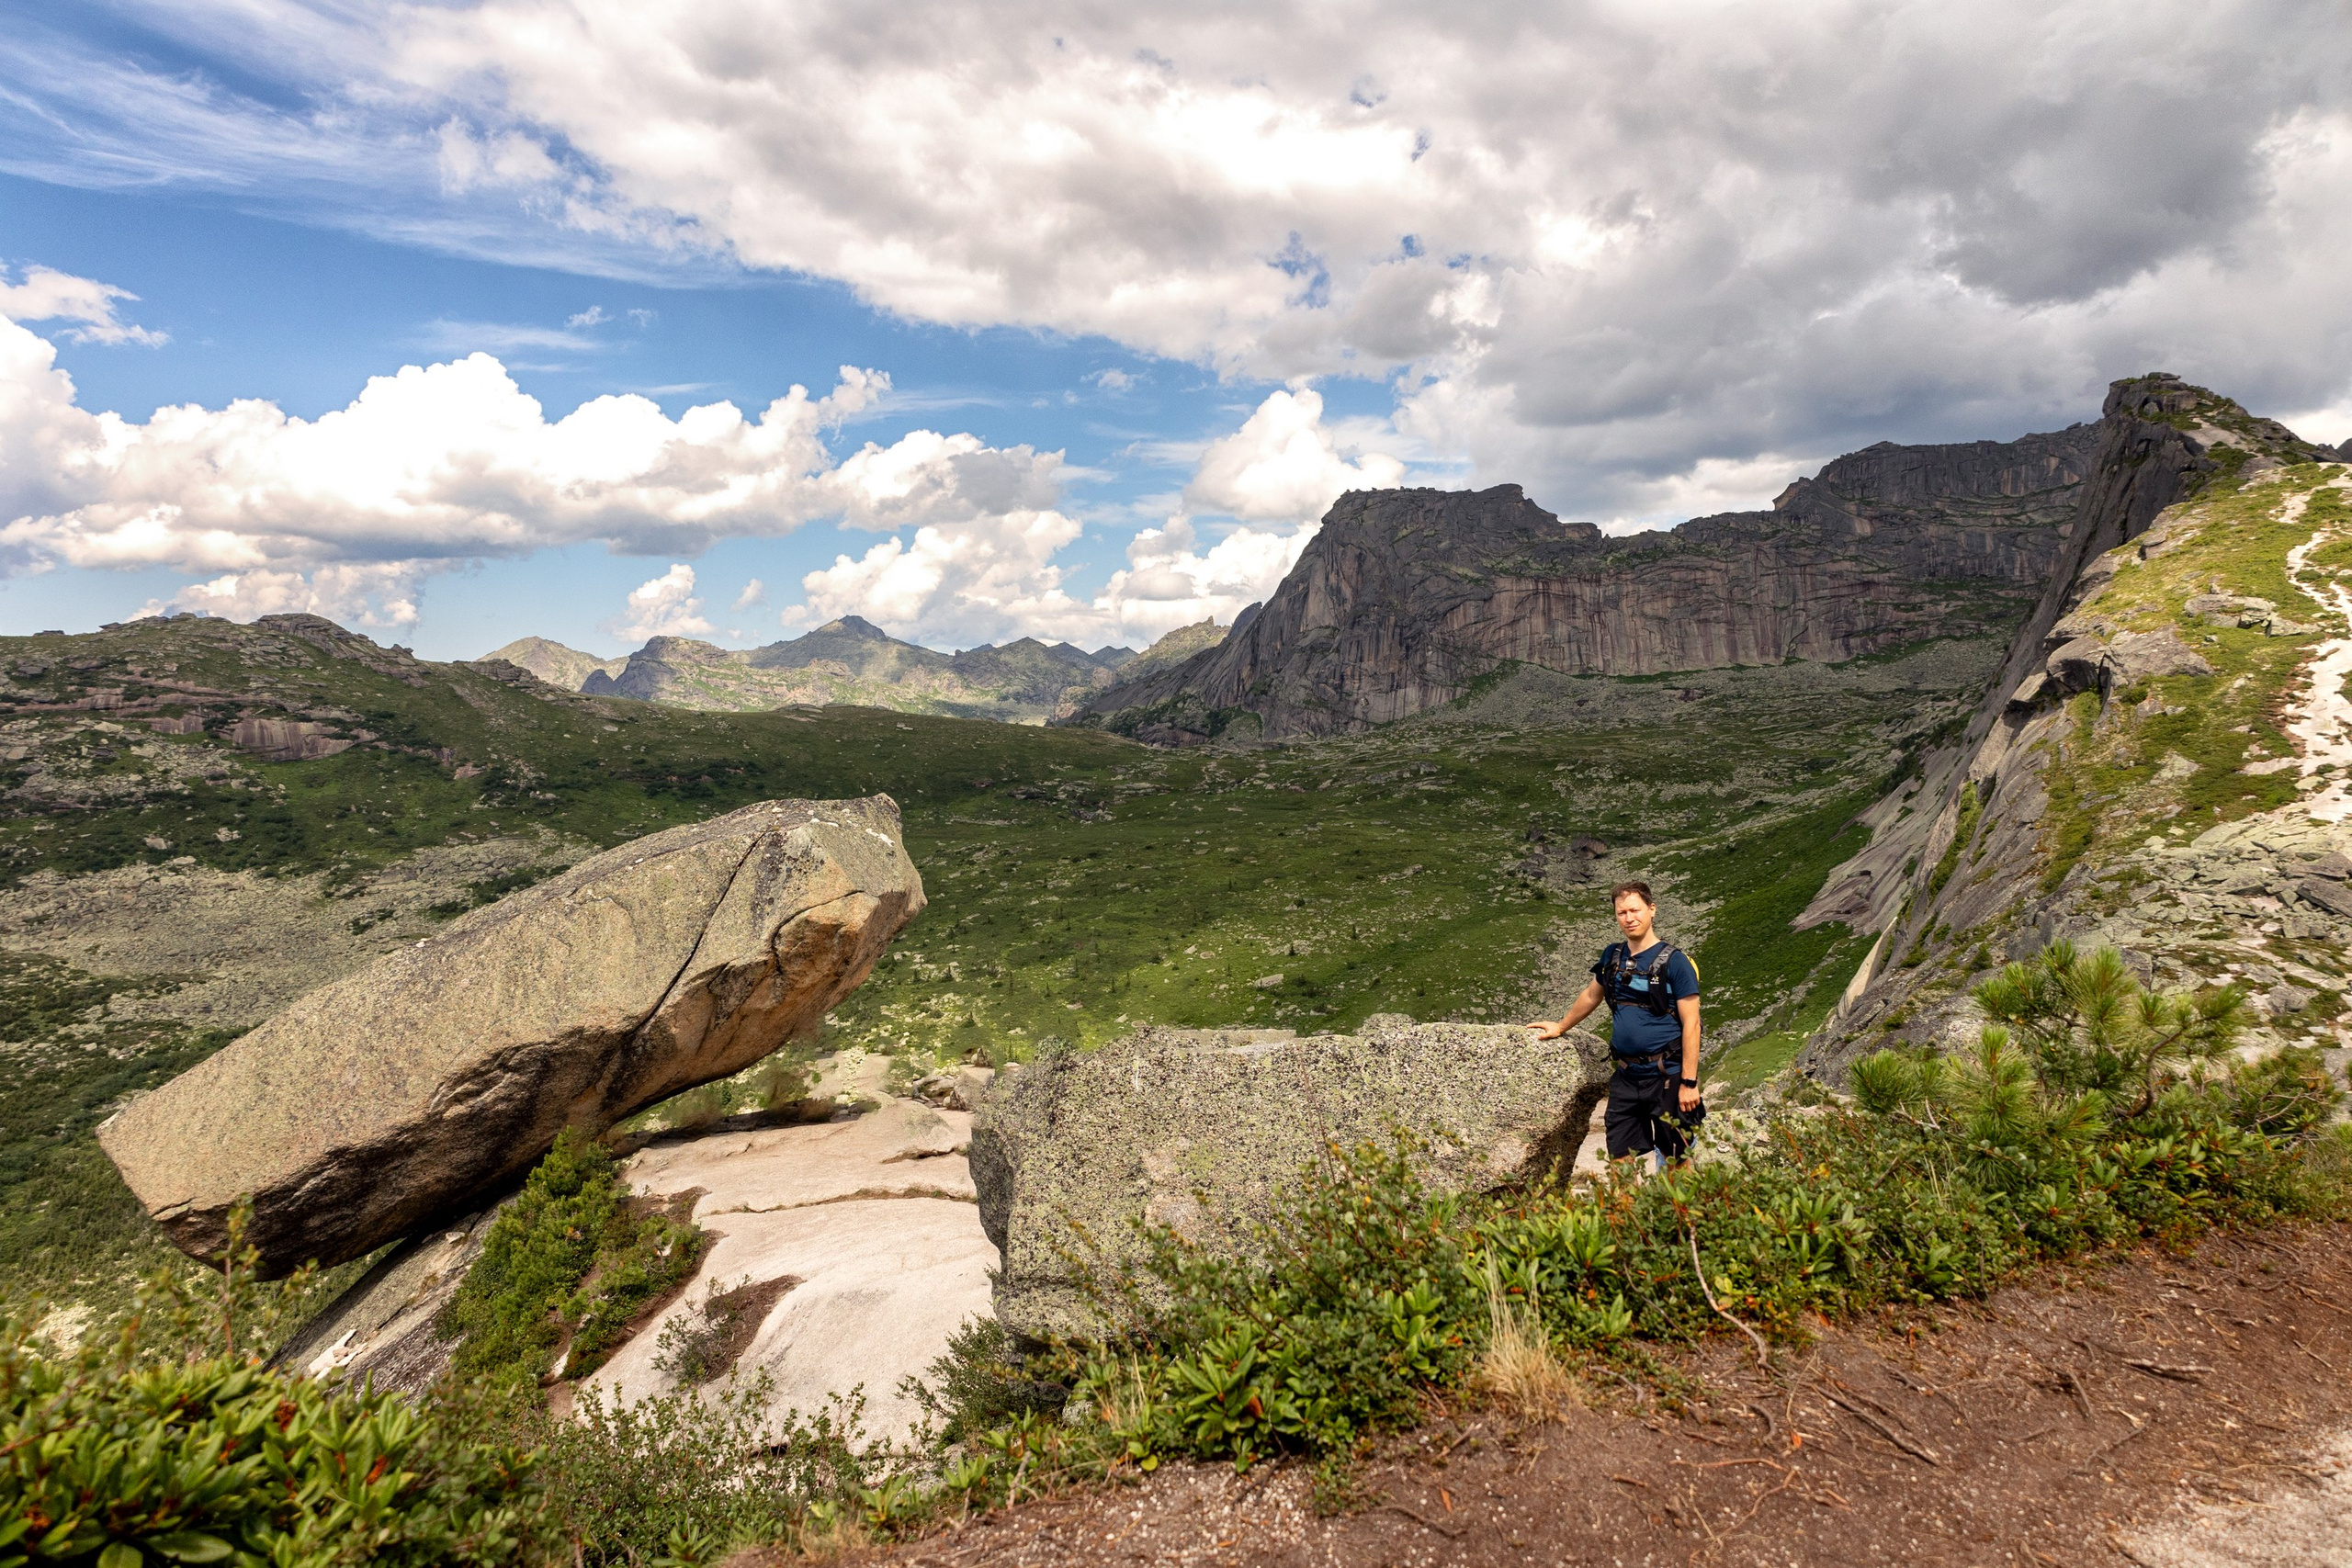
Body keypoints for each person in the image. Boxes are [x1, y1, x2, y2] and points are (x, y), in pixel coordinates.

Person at [1527, 880, 1703, 1168]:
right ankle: (1627, 1213)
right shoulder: (1613, 956)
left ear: (1651, 909)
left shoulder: (1677, 962)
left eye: (1635, 910)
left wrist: (1689, 1083)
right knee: (1620, 1159)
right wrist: (1561, 1027)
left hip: (1667, 1076)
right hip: (1625, 1076)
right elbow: (1591, 995)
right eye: (1622, 913)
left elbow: (1692, 1024)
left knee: (1676, 1163)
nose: (1629, 918)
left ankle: (1675, 1213)